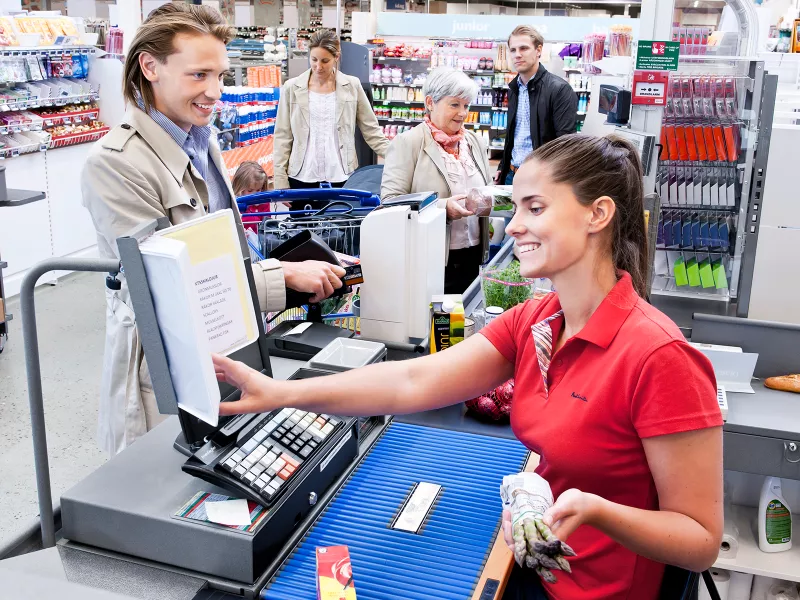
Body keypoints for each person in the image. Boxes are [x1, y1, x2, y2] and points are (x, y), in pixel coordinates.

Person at [213, 134, 724, 600]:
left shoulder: (659, 358)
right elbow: (414, 379)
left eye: (535, 207)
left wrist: (596, 511)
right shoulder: (537, 320)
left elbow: (700, 541)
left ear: (598, 214)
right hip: (539, 567)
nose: (515, 225)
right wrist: (279, 393)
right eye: (515, 207)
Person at [81, 4, 345, 455]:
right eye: (199, 75)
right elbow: (163, 288)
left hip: (229, 346)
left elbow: (222, 247)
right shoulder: (116, 163)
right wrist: (279, 278)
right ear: (150, 67)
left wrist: (281, 261)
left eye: (220, 76)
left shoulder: (201, 141)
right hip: (167, 376)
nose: (214, 91)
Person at [381, 67, 491, 294]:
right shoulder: (408, 143)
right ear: (430, 102)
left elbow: (487, 188)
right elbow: (390, 202)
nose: (462, 113)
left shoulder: (474, 143)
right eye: (454, 104)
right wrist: (443, 208)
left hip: (473, 255)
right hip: (431, 256)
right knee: (436, 323)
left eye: (466, 105)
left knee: (464, 319)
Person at [273, 29, 388, 211]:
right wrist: (280, 180)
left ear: (336, 57)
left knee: (341, 235)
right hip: (302, 177)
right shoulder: (291, 88)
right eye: (314, 60)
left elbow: (371, 130)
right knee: (305, 234)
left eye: (325, 61)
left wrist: (397, 156)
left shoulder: (352, 86)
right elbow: (282, 136)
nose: (318, 66)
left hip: (342, 176)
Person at [496, 26, 578, 186]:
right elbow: (513, 136)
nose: (517, 54)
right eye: (513, 50)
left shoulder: (559, 89)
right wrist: (502, 166)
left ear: (538, 50)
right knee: (505, 212)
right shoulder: (513, 89)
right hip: (511, 176)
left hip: (541, 179)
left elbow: (566, 143)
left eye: (524, 48)